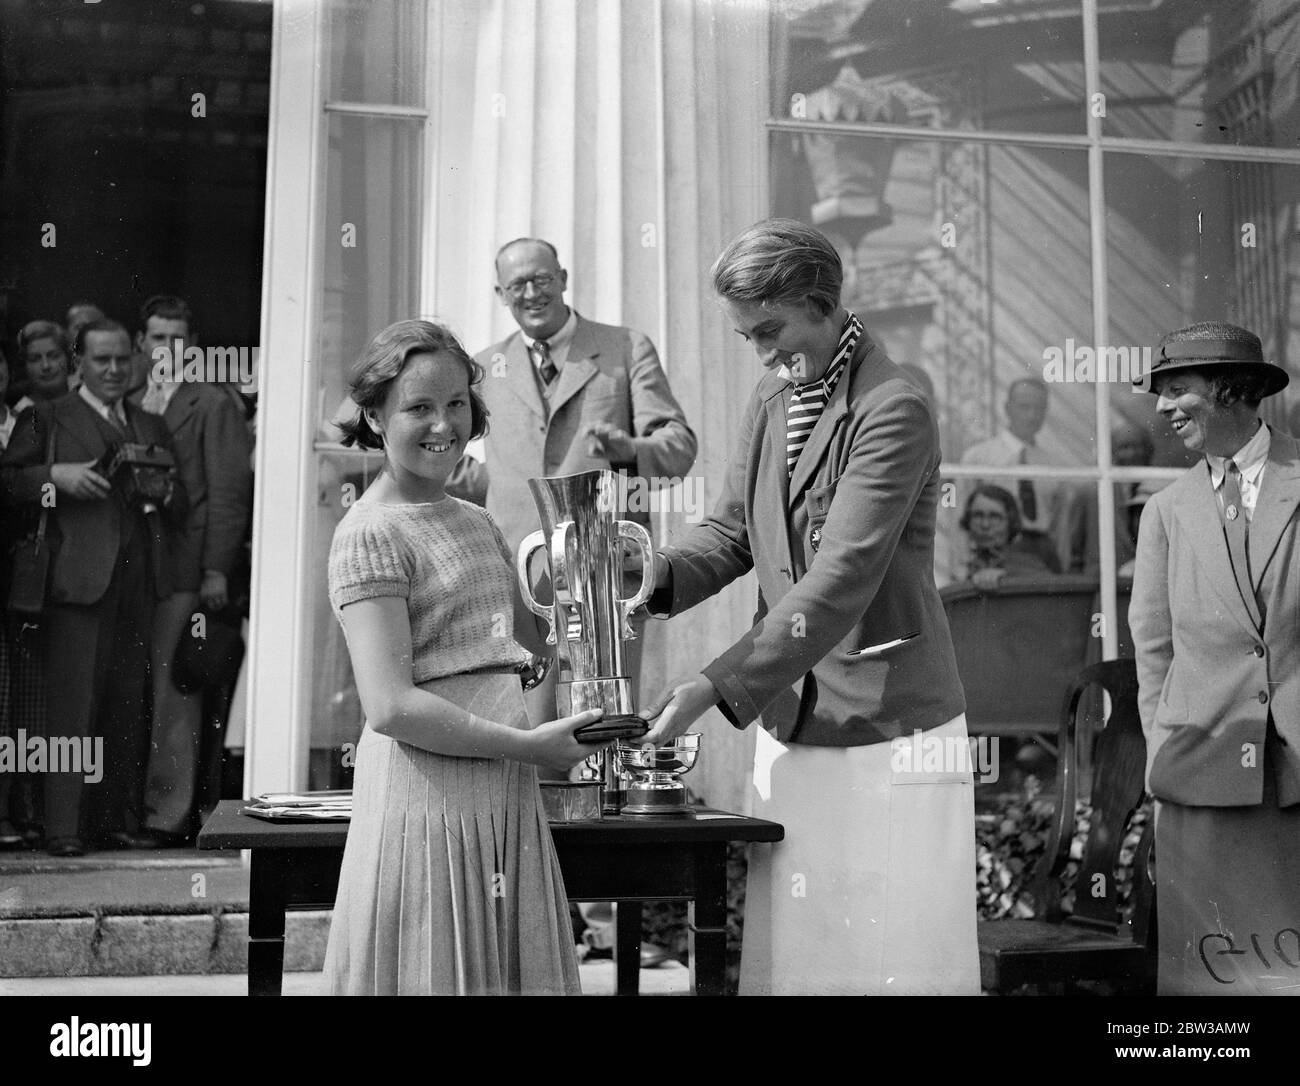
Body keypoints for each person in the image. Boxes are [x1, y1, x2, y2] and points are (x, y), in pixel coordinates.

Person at [638, 218, 978, 995]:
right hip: (791, 720)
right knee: (801, 957)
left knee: (890, 958)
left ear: (821, 302)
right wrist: (644, 576)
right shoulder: (773, 394)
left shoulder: (895, 405)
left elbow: (840, 578)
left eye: (770, 330)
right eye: (746, 336)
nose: (760, 353)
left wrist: (712, 685)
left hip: (888, 727)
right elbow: (730, 532)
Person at [322, 318, 603, 995]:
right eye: (418, 406)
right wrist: (528, 747)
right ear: (374, 415)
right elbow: (389, 706)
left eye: (455, 404)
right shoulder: (368, 534)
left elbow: (515, 654)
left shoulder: (475, 518)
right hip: (426, 803)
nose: (443, 425)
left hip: (503, 797)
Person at [1129, 321, 1300, 995]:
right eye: (1161, 393)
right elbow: (1153, 651)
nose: (1164, 406)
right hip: (1200, 778)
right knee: (1211, 992)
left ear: (1233, 390)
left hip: (1294, 777)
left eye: (1178, 389)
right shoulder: (1167, 512)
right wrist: (1161, 754)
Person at [0, 319, 187, 856]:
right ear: (79, 363)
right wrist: (54, 477)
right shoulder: (47, 416)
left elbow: (181, 503)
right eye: (101, 360)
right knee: (72, 706)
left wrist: (162, 493)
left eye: (122, 359)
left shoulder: (150, 423)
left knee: (124, 704)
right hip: (77, 583)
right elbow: (8, 483)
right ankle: (63, 828)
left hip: (139, 582)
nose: (113, 370)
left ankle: (108, 822)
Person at [133, 296, 253, 845]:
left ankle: (168, 813)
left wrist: (215, 570)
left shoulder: (213, 402)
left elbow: (227, 495)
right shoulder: (131, 399)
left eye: (178, 338)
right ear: (142, 343)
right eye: (158, 337)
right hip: (134, 570)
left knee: (172, 692)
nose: (167, 348)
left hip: (186, 570)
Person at [961, 376, 1071, 571]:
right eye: (1024, 407)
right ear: (1007, 408)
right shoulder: (978, 458)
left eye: (1039, 408)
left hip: (1042, 555)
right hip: (994, 552)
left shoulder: (1052, 465)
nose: (1032, 416)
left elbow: (1060, 527)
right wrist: (962, 567)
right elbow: (960, 516)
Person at [1065, 420, 1155, 578]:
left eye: (1138, 446)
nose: (1133, 454)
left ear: (1149, 450)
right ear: (1112, 453)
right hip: (1103, 590)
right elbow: (1073, 554)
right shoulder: (1090, 494)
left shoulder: (1164, 493)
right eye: (1124, 447)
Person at [960, 483, 1059, 589]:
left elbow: (1051, 583)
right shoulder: (965, 563)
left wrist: (1007, 577)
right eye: (978, 515)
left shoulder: (1029, 559)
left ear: (1010, 522)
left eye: (995, 517)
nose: (985, 525)